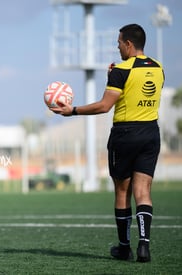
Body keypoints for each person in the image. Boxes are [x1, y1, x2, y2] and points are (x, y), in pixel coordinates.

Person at [50, 24, 164, 263]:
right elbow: (138, 92)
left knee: (123, 192)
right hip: (151, 132)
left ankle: (124, 247)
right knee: (143, 192)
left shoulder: (121, 71)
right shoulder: (158, 68)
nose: (118, 47)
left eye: (119, 43)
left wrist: (73, 111)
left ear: (129, 45)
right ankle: (144, 246)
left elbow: (104, 105)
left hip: (125, 134)